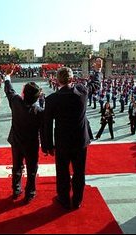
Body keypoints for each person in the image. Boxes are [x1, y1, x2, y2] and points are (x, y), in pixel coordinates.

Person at [43, 58, 102, 210]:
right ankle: (77, 200)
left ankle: (63, 199)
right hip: (80, 140)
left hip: (62, 143)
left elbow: (47, 125)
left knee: (62, 173)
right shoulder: (82, 91)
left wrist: (48, 146)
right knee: (79, 172)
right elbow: (95, 84)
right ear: (72, 79)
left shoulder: (51, 99)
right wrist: (97, 70)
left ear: (57, 80)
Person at [4, 67, 44, 204]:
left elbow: (9, 90)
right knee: (32, 169)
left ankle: (16, 190)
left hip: (16, 141)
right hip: (31, 144)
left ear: (23, 93)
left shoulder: (15, 102)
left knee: (17, 166)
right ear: (37, 97)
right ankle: (30, 193)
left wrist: (8, 76)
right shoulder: (39, 111)